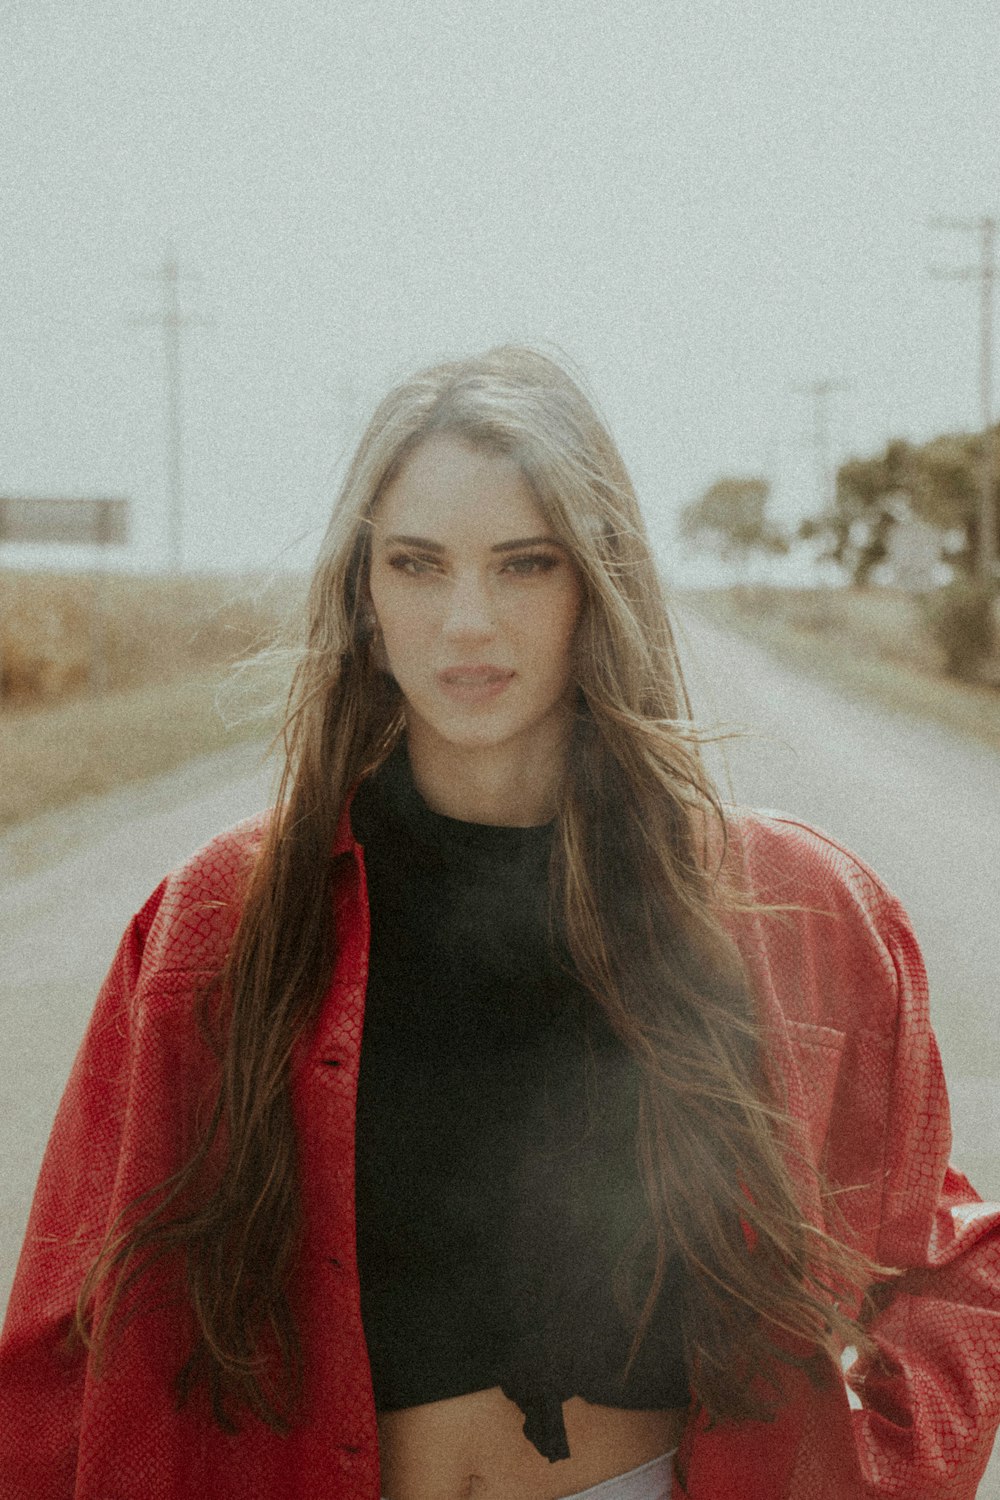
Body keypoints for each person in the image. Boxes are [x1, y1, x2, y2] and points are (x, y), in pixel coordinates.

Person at [1, 345, 998, 1500]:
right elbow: (62, 1350)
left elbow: (952, 1263)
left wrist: (871, 1477)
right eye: (417, 565)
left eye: (523, 565)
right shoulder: (219, 921)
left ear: (597, 581)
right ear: (363, 597)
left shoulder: (794, 907)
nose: (466, 621)